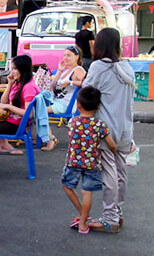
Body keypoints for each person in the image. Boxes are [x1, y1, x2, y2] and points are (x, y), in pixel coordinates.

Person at [82, 28, 135, 233]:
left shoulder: (98, 67)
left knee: (109, 173)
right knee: (121, 173)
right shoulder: (127, 68)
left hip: (105, 129)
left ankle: (110, 217)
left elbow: (87, 91)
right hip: (125, 128)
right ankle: (117, 214)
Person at [62, 86, 117, 234]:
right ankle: (83, 223)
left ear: (78, 105)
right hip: (93, 163)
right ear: (98, 106)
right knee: (87, 192)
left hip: (73, 161)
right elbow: (111, 144)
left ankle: (81, 214)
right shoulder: (100, 125)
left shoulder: (72, 122)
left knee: (67, 186)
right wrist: (115, 152)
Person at [48, 46, 87, 118]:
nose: (65, 58)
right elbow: (53, 86)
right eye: (64, 55)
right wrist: (60, 70)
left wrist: (70, 82)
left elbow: (88, 83)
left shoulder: (78, 70)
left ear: (76, 57)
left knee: (37, 110)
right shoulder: (65, 71)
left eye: (68, 55)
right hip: (56, 101)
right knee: (35, 107)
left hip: (65, 105)